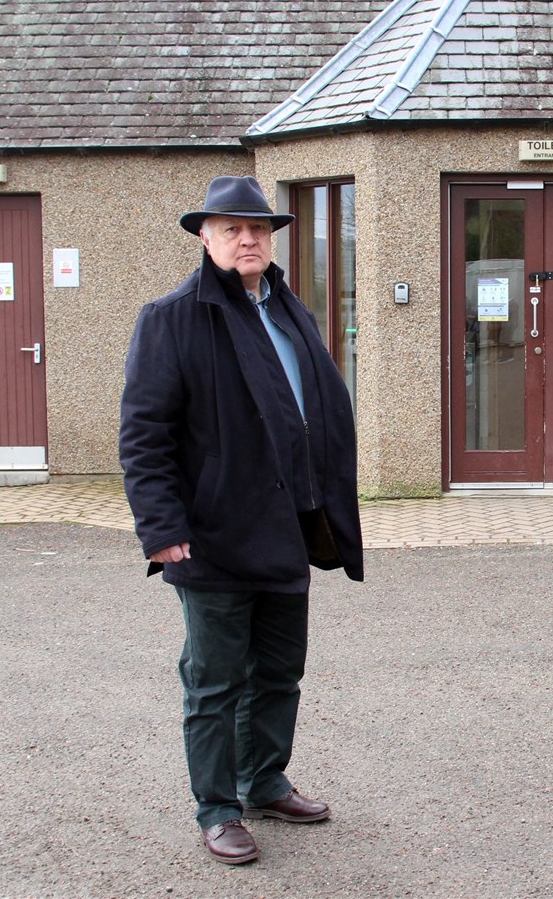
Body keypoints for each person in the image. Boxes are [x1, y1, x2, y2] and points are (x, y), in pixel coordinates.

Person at [120, 174, 363, 866]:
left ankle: (264, 780)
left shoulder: (290, 311)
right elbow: (144, 435)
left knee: (280, 670)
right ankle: (218, 806)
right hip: (212, 535)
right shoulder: (170, 318)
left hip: (289, 526)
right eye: (231, 228)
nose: (247, 238)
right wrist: (161, 529)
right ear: (205, 237)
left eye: (257, 228)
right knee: (215, 679)